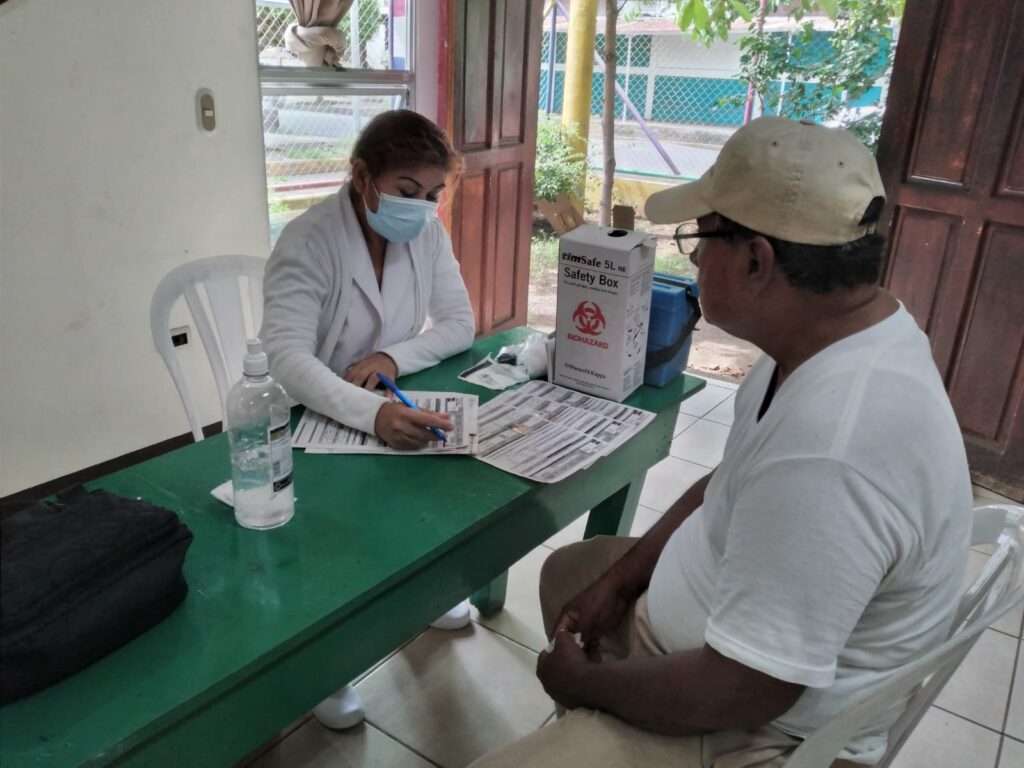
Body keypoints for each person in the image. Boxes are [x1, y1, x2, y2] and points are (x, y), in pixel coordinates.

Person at [468, 116, 973, 768]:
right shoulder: (833, 338)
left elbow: (748, 687)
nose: (697, 258)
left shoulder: (830, 450)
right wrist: (623, 583)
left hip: (756, 729)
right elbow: (726, 483)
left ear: (757, 260)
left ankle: (599, 718)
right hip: (718, 641)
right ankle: (598, 710)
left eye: (701, 239)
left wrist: (586, 685)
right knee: (578, 571)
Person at [260, 109, 476, 730]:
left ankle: (424, 594)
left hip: (382, 393)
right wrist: (370, 413)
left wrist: (391, 358)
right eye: (408, 191)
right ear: (362, 176)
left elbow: (459, 324)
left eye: (434, 195)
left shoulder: (425, 235)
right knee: (332, 539)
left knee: (419, 495)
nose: (421, 208)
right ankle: (324, 667)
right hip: (309, 415)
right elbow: (286, 358)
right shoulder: (309, 239)